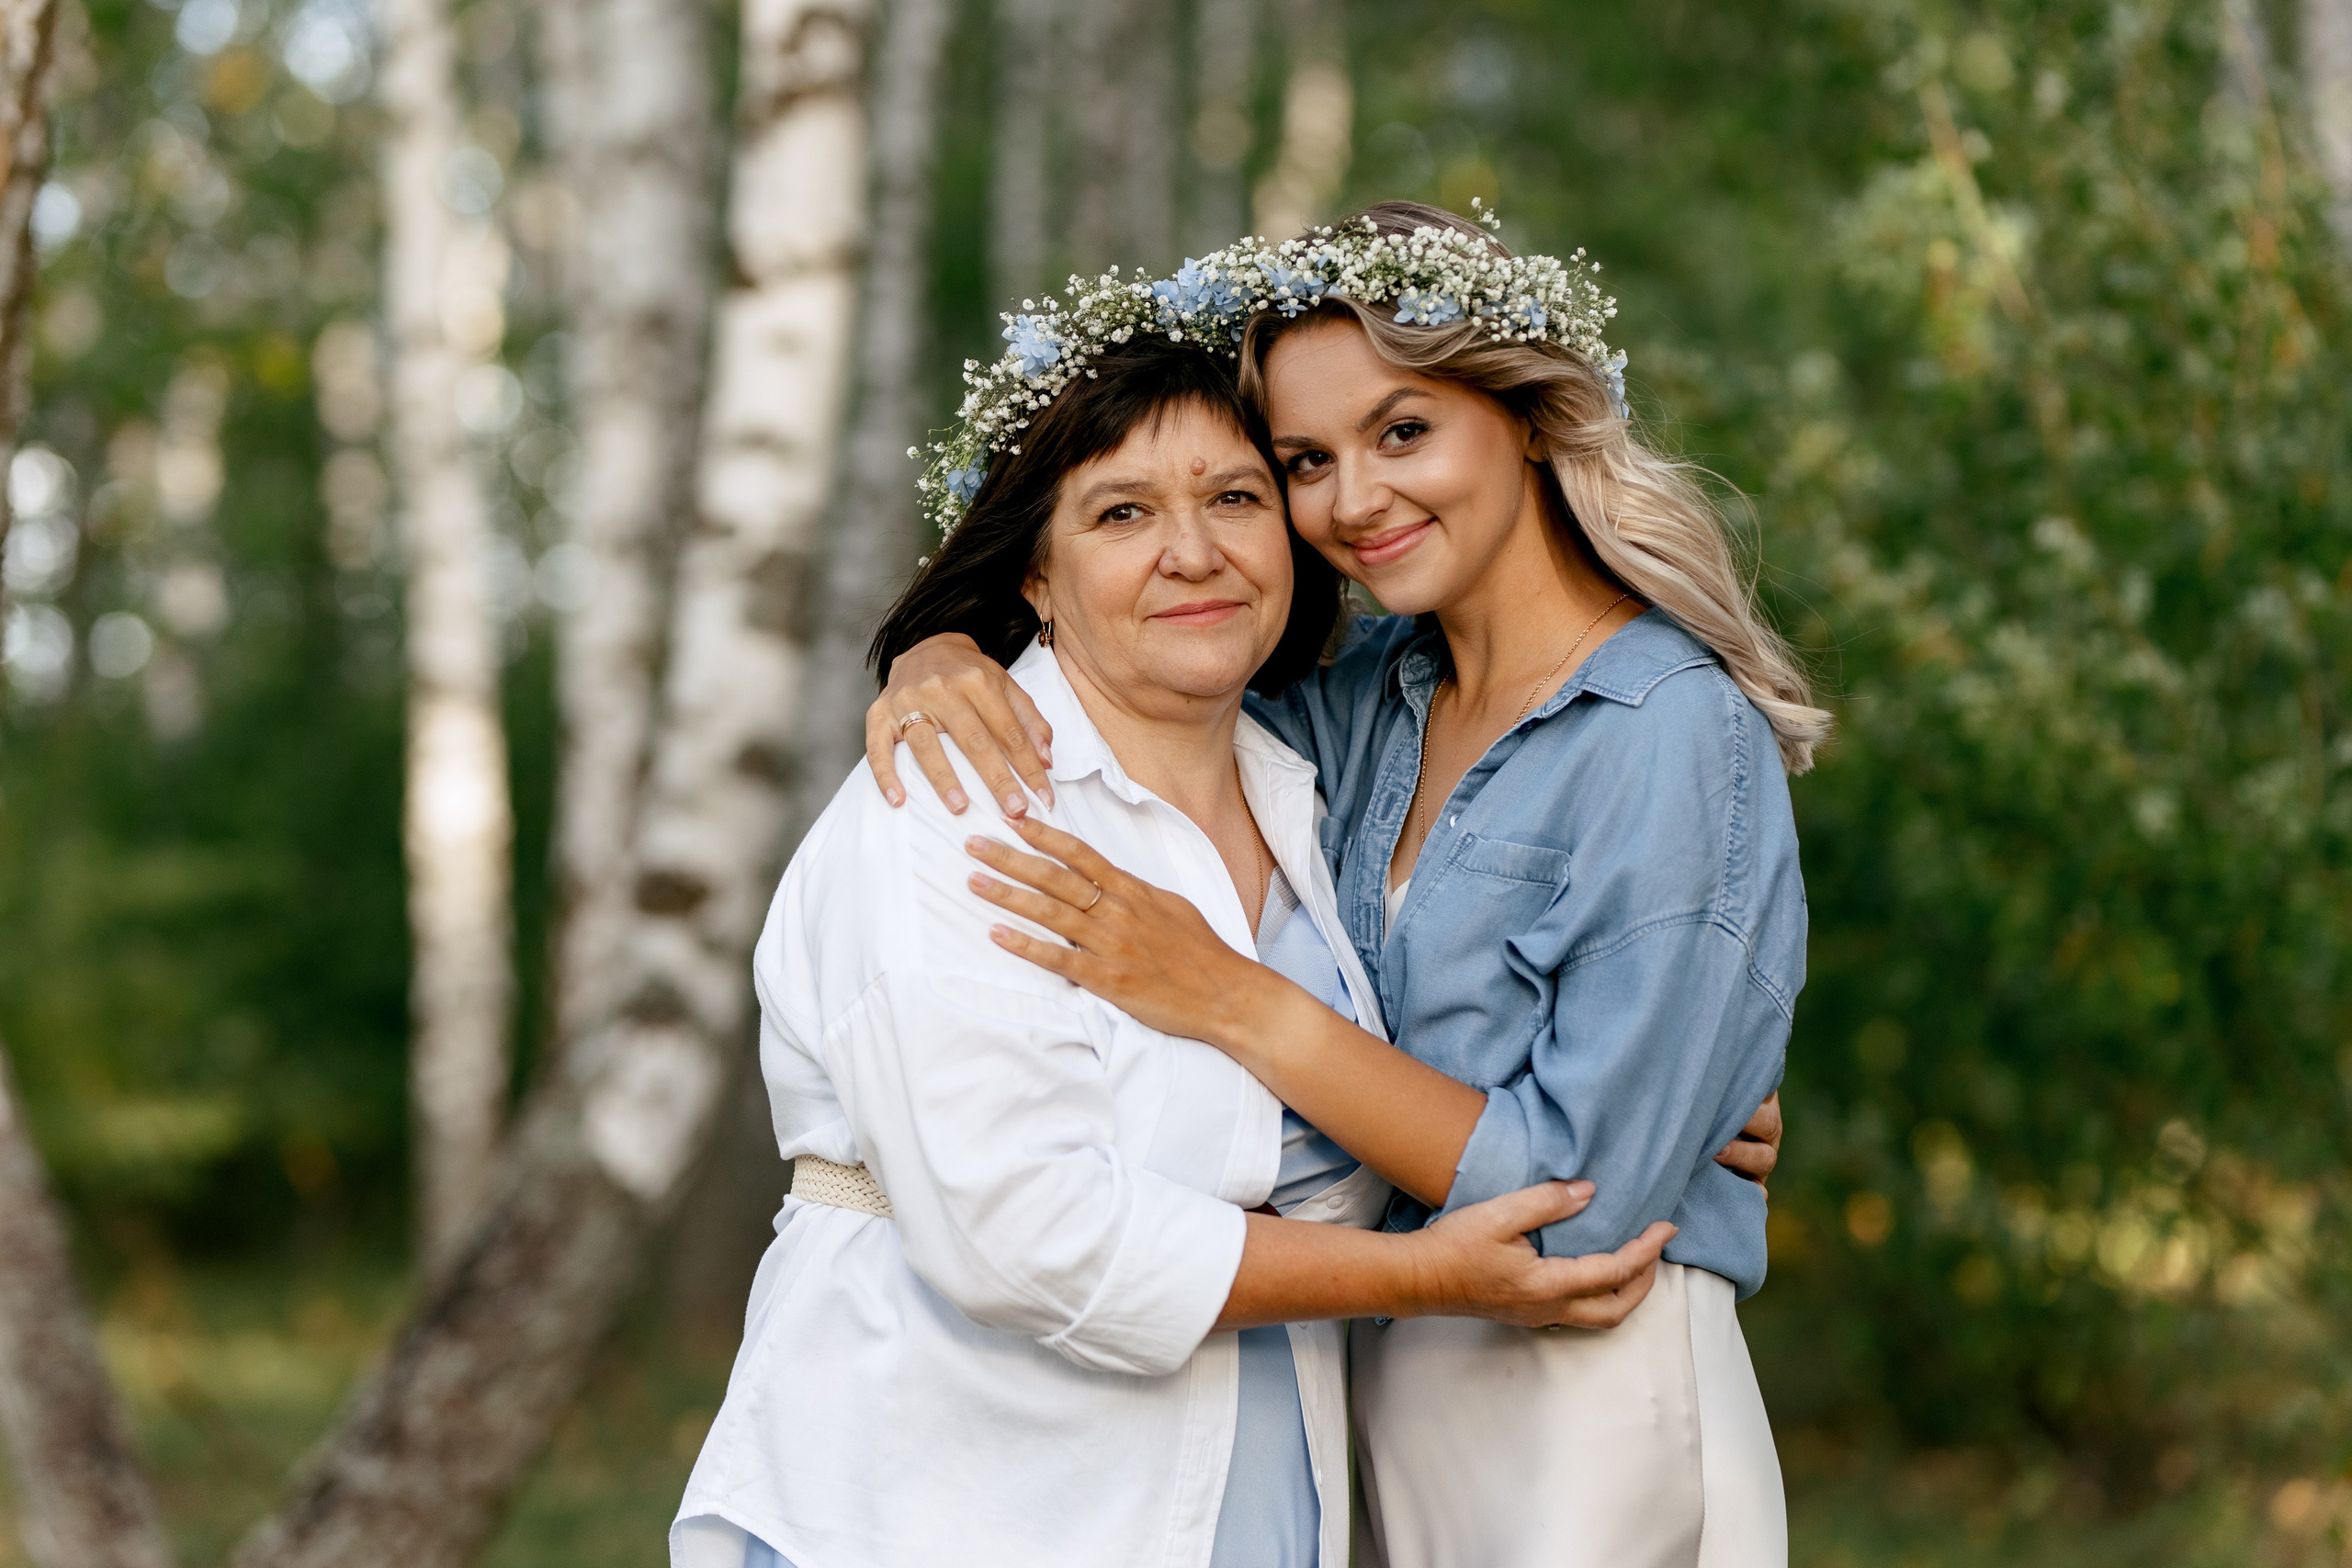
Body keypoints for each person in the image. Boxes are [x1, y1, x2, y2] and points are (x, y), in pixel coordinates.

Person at [866, 202, 1822, 1567]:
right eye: (1306, 460)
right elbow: (1137, 659)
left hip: (1589, 1389)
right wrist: (942, 650)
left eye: (1404, 431)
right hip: (1377, 1376)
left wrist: (1236, 1005)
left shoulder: (1670, 727)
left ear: (1530, 414)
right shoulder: (1361, 703)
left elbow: (1581, 1213)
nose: (1354, 501)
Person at [671, 323, 1675, 1568]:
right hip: (958, 1488)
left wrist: (1680, 1060)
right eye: (1122, 514)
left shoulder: (1313, 785)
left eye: (1236, 497)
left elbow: (1445, 1023)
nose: (1191, 552)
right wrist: (1423, 1277)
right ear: (1033, 573)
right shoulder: (958, 798)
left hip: (1251, 1493)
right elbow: (1023, 1233)